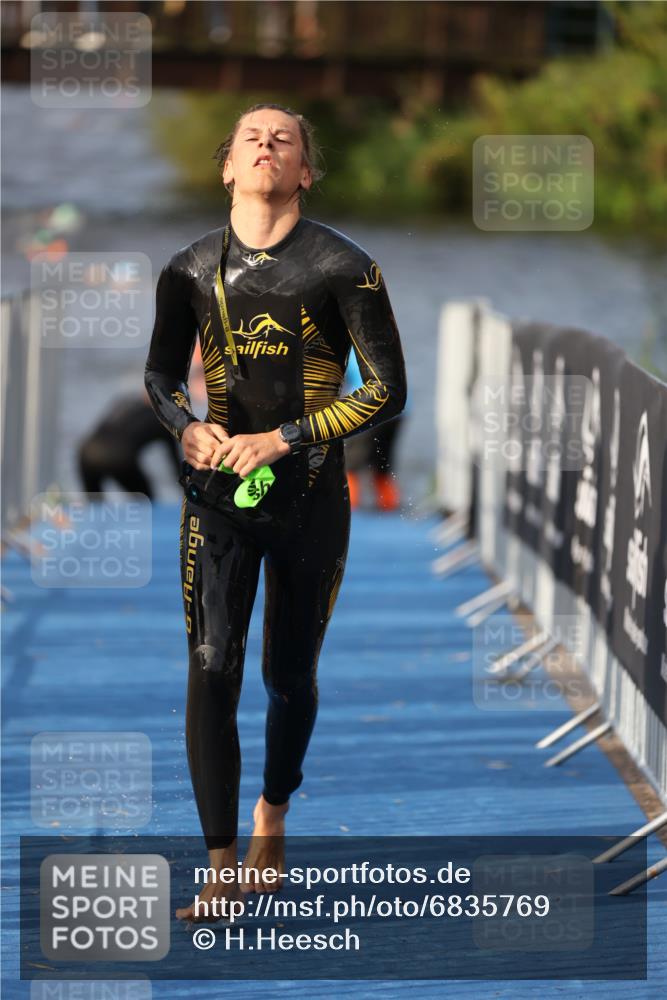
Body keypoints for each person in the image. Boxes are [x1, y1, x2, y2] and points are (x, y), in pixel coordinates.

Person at [144, 102, 407, 922]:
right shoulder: (188, 270)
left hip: (310, 500)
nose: (265, 146)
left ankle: (273, 816)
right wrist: (187, 431)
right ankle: (220, 866)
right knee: (211, 664)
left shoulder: (344, 268)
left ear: (305, 171)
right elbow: (158, 378)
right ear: (227, 166)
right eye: (250, 138)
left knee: (287, 678)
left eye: (282, 139)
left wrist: (284, 439)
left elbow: (388, 390)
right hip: (216, 502)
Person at [342, 351, 407, 511]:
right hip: (398, 408)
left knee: (351, 463)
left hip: (366, 408)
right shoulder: (382, 345)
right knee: (383, 462)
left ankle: (350, 507)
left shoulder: (348, 350)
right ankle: (390, 505)